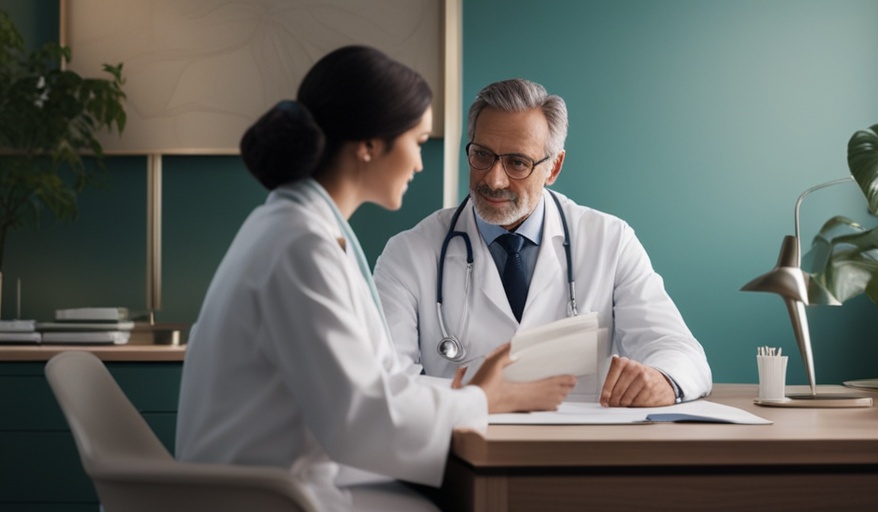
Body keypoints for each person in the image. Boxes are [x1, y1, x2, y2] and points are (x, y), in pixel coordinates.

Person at [175, 48, 575, 512]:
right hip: (274, 496)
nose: (420, 164)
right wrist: (481, 400)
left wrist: (467, 395)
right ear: (369, 145)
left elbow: (367, 391)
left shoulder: (298, 227)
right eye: (419, 141)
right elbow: (361, 420)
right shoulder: (301, 246)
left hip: (288, 480)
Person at [374, 78, 713, 407]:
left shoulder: (609, 241)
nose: (494, 179)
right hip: (462, 450)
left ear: (554, 168)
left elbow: (679, 350)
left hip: (575, 455)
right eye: (482, 155)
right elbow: (386, 384)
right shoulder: (408, 254)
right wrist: (474, 399)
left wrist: (663, 380)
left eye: (517, 162)